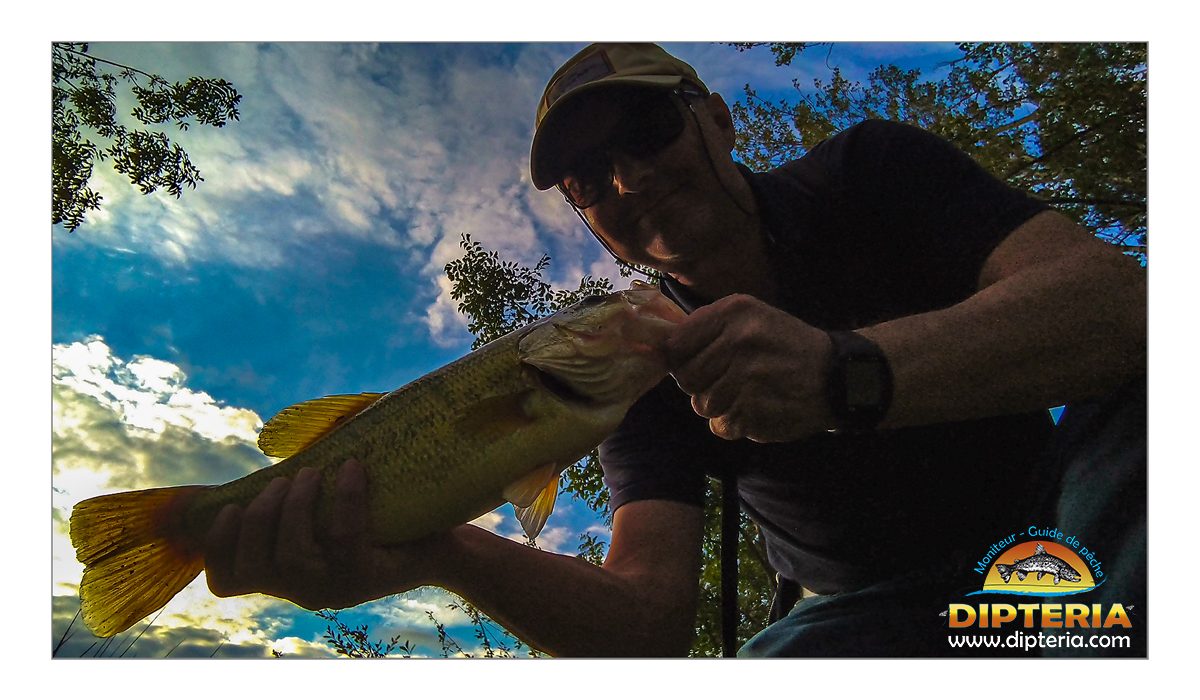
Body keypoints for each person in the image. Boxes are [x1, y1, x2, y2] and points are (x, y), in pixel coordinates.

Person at [202, 43, 1147, 657]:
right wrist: (444, 553)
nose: (630, 179)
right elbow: (647, 626)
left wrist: (842, 372)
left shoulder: (870, 170)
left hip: (1068, 526)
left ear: (718, 120)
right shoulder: (633, 367)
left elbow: (1128, 303)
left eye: (647, 132)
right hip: (867, 612)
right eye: (588, 179)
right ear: (591, 223)